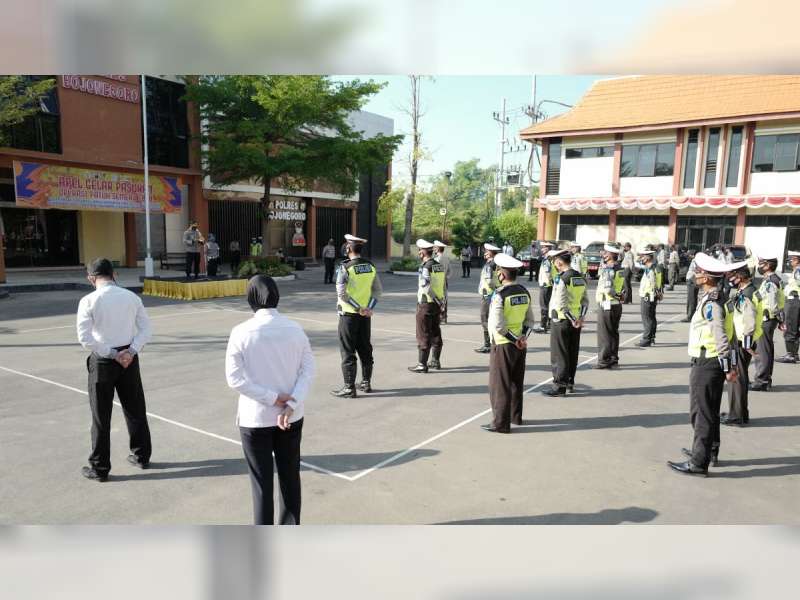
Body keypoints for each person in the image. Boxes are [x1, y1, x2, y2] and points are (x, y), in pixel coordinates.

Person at [225, 275, 314, 524]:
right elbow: (308, 370)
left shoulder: (241, 332)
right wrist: (291, 403)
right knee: (290, 478)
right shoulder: (295, 329)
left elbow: (234, 379)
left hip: (255, 418)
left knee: (261, 485)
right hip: (290, 417)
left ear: (251, 298)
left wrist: (271, 398)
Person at [76, 258, 152, 482]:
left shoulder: (88, 301)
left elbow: (85, 338)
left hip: (103, 361)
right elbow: (146, 329)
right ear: (114, 275)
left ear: (91, 278)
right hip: (129, 359)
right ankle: (141, 456)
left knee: (101, 415)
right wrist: (131, 351)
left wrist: (111, 353)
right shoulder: (131, 297)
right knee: (135, 408)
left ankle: (100, 468)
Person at [668, 253, 737, 477]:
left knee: (701, 413)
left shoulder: (712, 303)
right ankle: (708, 450)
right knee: (711, 410)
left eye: (698, 272)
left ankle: (698, 462)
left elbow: (721, 335)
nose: (695, 274)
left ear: (706, 277)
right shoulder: (720, 297)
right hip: (713, 361)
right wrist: (730, 364)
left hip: (707, 362)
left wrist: (729, 367)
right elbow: (732, 333)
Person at [481, 253, 536, 433]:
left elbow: (498, 325)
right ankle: (515, 416)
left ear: (502, 275)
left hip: (503, 344)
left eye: (498, 271)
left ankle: (500, 423)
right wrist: (522, 338)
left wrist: (514, 339)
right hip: (520, 344)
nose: (497, 274)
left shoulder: (500, 295)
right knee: (515, 382)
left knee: (500, 384)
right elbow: (530, 320)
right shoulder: (524, 292)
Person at [331, 234, 382, 397]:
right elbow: (378, 290)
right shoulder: (370, 266)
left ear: (348, 248)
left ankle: (349, 388)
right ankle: (366, 383)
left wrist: (358, 308)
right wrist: (368, 308)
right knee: (365, 348)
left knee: (348, 351)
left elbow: (342, 293)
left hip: (349, 315)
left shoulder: (345, 267)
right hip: (365, 315)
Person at [542, 248, 588, 396]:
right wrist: (580, 318)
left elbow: (561, 304)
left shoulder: (563, 278)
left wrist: (573, 320)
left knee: (559, 354)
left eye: (555, 261)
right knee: (572, 352)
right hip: (575, 321)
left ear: (559, 262)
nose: (554, 264)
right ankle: (569, 382)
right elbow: (585, 301)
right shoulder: (579, 277)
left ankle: (559, 386)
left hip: (562, 320)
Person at [722, 262, 761, 426]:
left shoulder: (747, 294)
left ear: (741, 277)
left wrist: (746, 344)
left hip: (741, 342)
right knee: (740, 378)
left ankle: (736, 416)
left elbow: (749, 321)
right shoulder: (748, 290)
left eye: (733, 276)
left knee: (736, 379)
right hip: (742, 341)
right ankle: (740, 413)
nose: (731, 279)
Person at [409, 239, 445, 373]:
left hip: (426, 304)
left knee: (423, 333)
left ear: (423, 252)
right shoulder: (439, 265)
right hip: (437, 304)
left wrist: (435, 300)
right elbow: (442, 285)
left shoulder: (425, 267)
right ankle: (435, 360)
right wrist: (441, 302)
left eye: (420, 250)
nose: (419, 252)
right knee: (435, 332)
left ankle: (422, 364)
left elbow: (426, 286)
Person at [751, 252, 785, 391]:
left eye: (762, 264)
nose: (759, 266)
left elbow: (772, 303)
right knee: (767, 349)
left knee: (762, 350)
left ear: (768, 265)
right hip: (769, 318)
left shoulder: (771, 281)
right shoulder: (772, 279)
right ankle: (765, 379)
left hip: (766, 318)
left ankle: (761, 380)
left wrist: (777, 317)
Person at [594, 243, 626, 369]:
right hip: (616, 305)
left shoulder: (609, 269)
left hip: (607, 304)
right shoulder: (619, 268)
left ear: (612, 254)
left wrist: (616, 296)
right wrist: (620, 296)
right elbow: (622, 286)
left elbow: (608, 290)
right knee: (613, 333)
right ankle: (613, 358)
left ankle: (604, 360)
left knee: (604, 334)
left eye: (606, 252)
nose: (603, 254)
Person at [474, 242, 501, 353]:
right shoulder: (497, 263)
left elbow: (489, 281)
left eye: (486, 251)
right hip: (495, 294)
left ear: (490, 253)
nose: (484, 253)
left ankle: (487, 345)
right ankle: (494, 343)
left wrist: (494, 290)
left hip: (488, 295)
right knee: (493, 318)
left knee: (485, 318)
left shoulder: (489, 265)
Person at [776, 250, 800, 364]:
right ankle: (794, 354)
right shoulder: (797, 271)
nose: (790, 262)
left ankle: (791, 355)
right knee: (795, 328)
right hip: (795, 301)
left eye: (792, 259)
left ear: (797, 260)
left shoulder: (798, 271)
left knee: (790, 327)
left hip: (794, 301)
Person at [637, 249, 660, 347]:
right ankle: (651, 337)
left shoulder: (651, 269)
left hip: (648, 296)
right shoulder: (652, 268)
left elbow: (655, 283)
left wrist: (656, 293)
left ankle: (646, 339)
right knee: (651, 317)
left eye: (643, 257)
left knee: (647, 318)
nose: (641, 258)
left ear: (647, 258)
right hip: (651, 296)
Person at [532, 241, 557, 333]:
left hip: (546, 285)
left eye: (543, 247)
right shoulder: (551, 258)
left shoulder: (547, 260)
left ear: (547, 248)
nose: (541, 249)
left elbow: (548, 274)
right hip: (550, 285)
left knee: (544, 306)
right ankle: (549, 324)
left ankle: (543, 326)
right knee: (550, 305)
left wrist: (550, 282)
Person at [434, 240, 451, 324]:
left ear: (438, 248)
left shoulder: (437, 259)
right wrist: (446, 278)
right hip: (444, 281)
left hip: (438, 282)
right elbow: (450, 271)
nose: (433, 248)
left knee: (437, 299)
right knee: (445, 298)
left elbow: (436, 272)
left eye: (435, 247)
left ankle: (440, 317)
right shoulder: (446, 258)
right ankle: (444, 316)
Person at [682, 251, 699, 322]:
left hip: (692, 280)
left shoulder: (695, 260)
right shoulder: (698, 261)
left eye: (691, 255)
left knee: (691, 299)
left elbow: (696, 269)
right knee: (694, 298)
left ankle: (689, 316)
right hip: (695, 280)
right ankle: (693, 315)